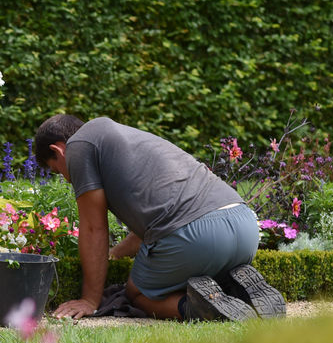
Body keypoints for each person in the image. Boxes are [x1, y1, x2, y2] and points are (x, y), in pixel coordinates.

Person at [33, 114, 286, 322]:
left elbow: (92, 228)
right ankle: (237, 293)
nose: (66, 179)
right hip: (244, 225)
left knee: (138, 293)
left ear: (59, 150)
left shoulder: (78, 147)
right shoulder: (127, 137)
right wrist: (116, 254)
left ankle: (201, 310)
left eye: (57, 170)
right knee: (183, 266)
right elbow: (151, 224)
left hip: (197, 238)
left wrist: (89, 299)